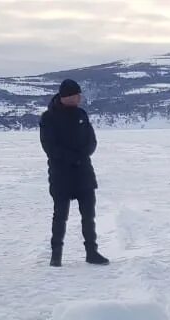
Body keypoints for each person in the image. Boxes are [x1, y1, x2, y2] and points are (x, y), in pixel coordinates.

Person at [40, 79, 108, 267]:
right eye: (76, 95)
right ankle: (56, 256)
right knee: (60, 216)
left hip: (84, 173)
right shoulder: (48, 118)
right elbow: (50, 147)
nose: (80, 98)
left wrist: (83, 155)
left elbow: (92, 141)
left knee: (88, 216)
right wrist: (73, 158)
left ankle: (92, 252)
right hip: (61, 175)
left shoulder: (81, 114)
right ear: (67, 96)